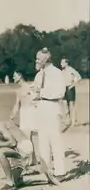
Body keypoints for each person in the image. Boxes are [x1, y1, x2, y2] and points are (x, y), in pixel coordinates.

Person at [0, 110, 50, 190]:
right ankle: (38, 172)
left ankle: (10, 182)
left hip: (24, 147)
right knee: (18, 184)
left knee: (0, 152)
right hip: (18, 149)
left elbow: (12, 143)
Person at [33, 47, 66, 179]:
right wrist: (34, 95)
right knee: (43, 141)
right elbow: (34, 90)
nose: (36, 61)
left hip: (52, 107)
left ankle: (60, 172)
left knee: (55, 140)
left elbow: (60, 93)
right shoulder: (39, 74)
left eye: (38, 59)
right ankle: (46, 171)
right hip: (41, 108)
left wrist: (41, 93)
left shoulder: (57, 73)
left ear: (46, 59)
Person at [10, 70, 37, 166]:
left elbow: (35, 100)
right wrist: (12, 114)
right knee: (27, 137)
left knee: (27, 138)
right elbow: (17, 104)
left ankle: (29, 160)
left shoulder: (29, 87)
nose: (13, 78)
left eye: (14, 76)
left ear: (20, 76)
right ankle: (32, 159)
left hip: (30, 113)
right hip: (23, 114)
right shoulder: (18, 90)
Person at [61, 58, 82, 130]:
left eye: (62, 62)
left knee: (71, 105)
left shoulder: (71, 69)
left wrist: (72, 85)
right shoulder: (62, 71)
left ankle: (74, 122)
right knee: (65, 105)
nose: (61, 64)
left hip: (70, 89)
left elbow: (79, 77)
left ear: (66, 63)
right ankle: (68, 121)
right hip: (64, 89)